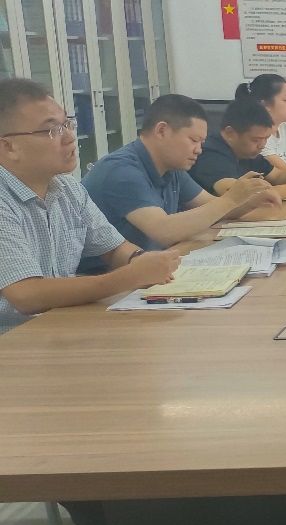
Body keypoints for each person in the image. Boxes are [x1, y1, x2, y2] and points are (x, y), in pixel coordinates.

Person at [0, 78, 179, 336]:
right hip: (13, 342)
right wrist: (130, 276)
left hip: (57, 329)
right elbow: (26, 294)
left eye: (67, 124)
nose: (70, 137)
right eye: (51, 130)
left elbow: (114, 248)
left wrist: (142, 260)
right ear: (9, 146)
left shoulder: (67, 188)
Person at [84, 94, 281, 252]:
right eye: (194, 140)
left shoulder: (172, 168)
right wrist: (231, 199)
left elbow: (213, 208)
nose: (199, 150)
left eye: (201, 143)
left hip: (149, 266)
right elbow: (163, 231)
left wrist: (250, 200)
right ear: (162, 131)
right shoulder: (122, 171)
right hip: (102, 277)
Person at [189, 98, 286, 199]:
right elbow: (233, 195)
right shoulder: (210, 154)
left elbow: (277, 176)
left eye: (266, 138)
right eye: (256, 140)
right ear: (230, 133)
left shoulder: (247, 151)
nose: (262, 145)